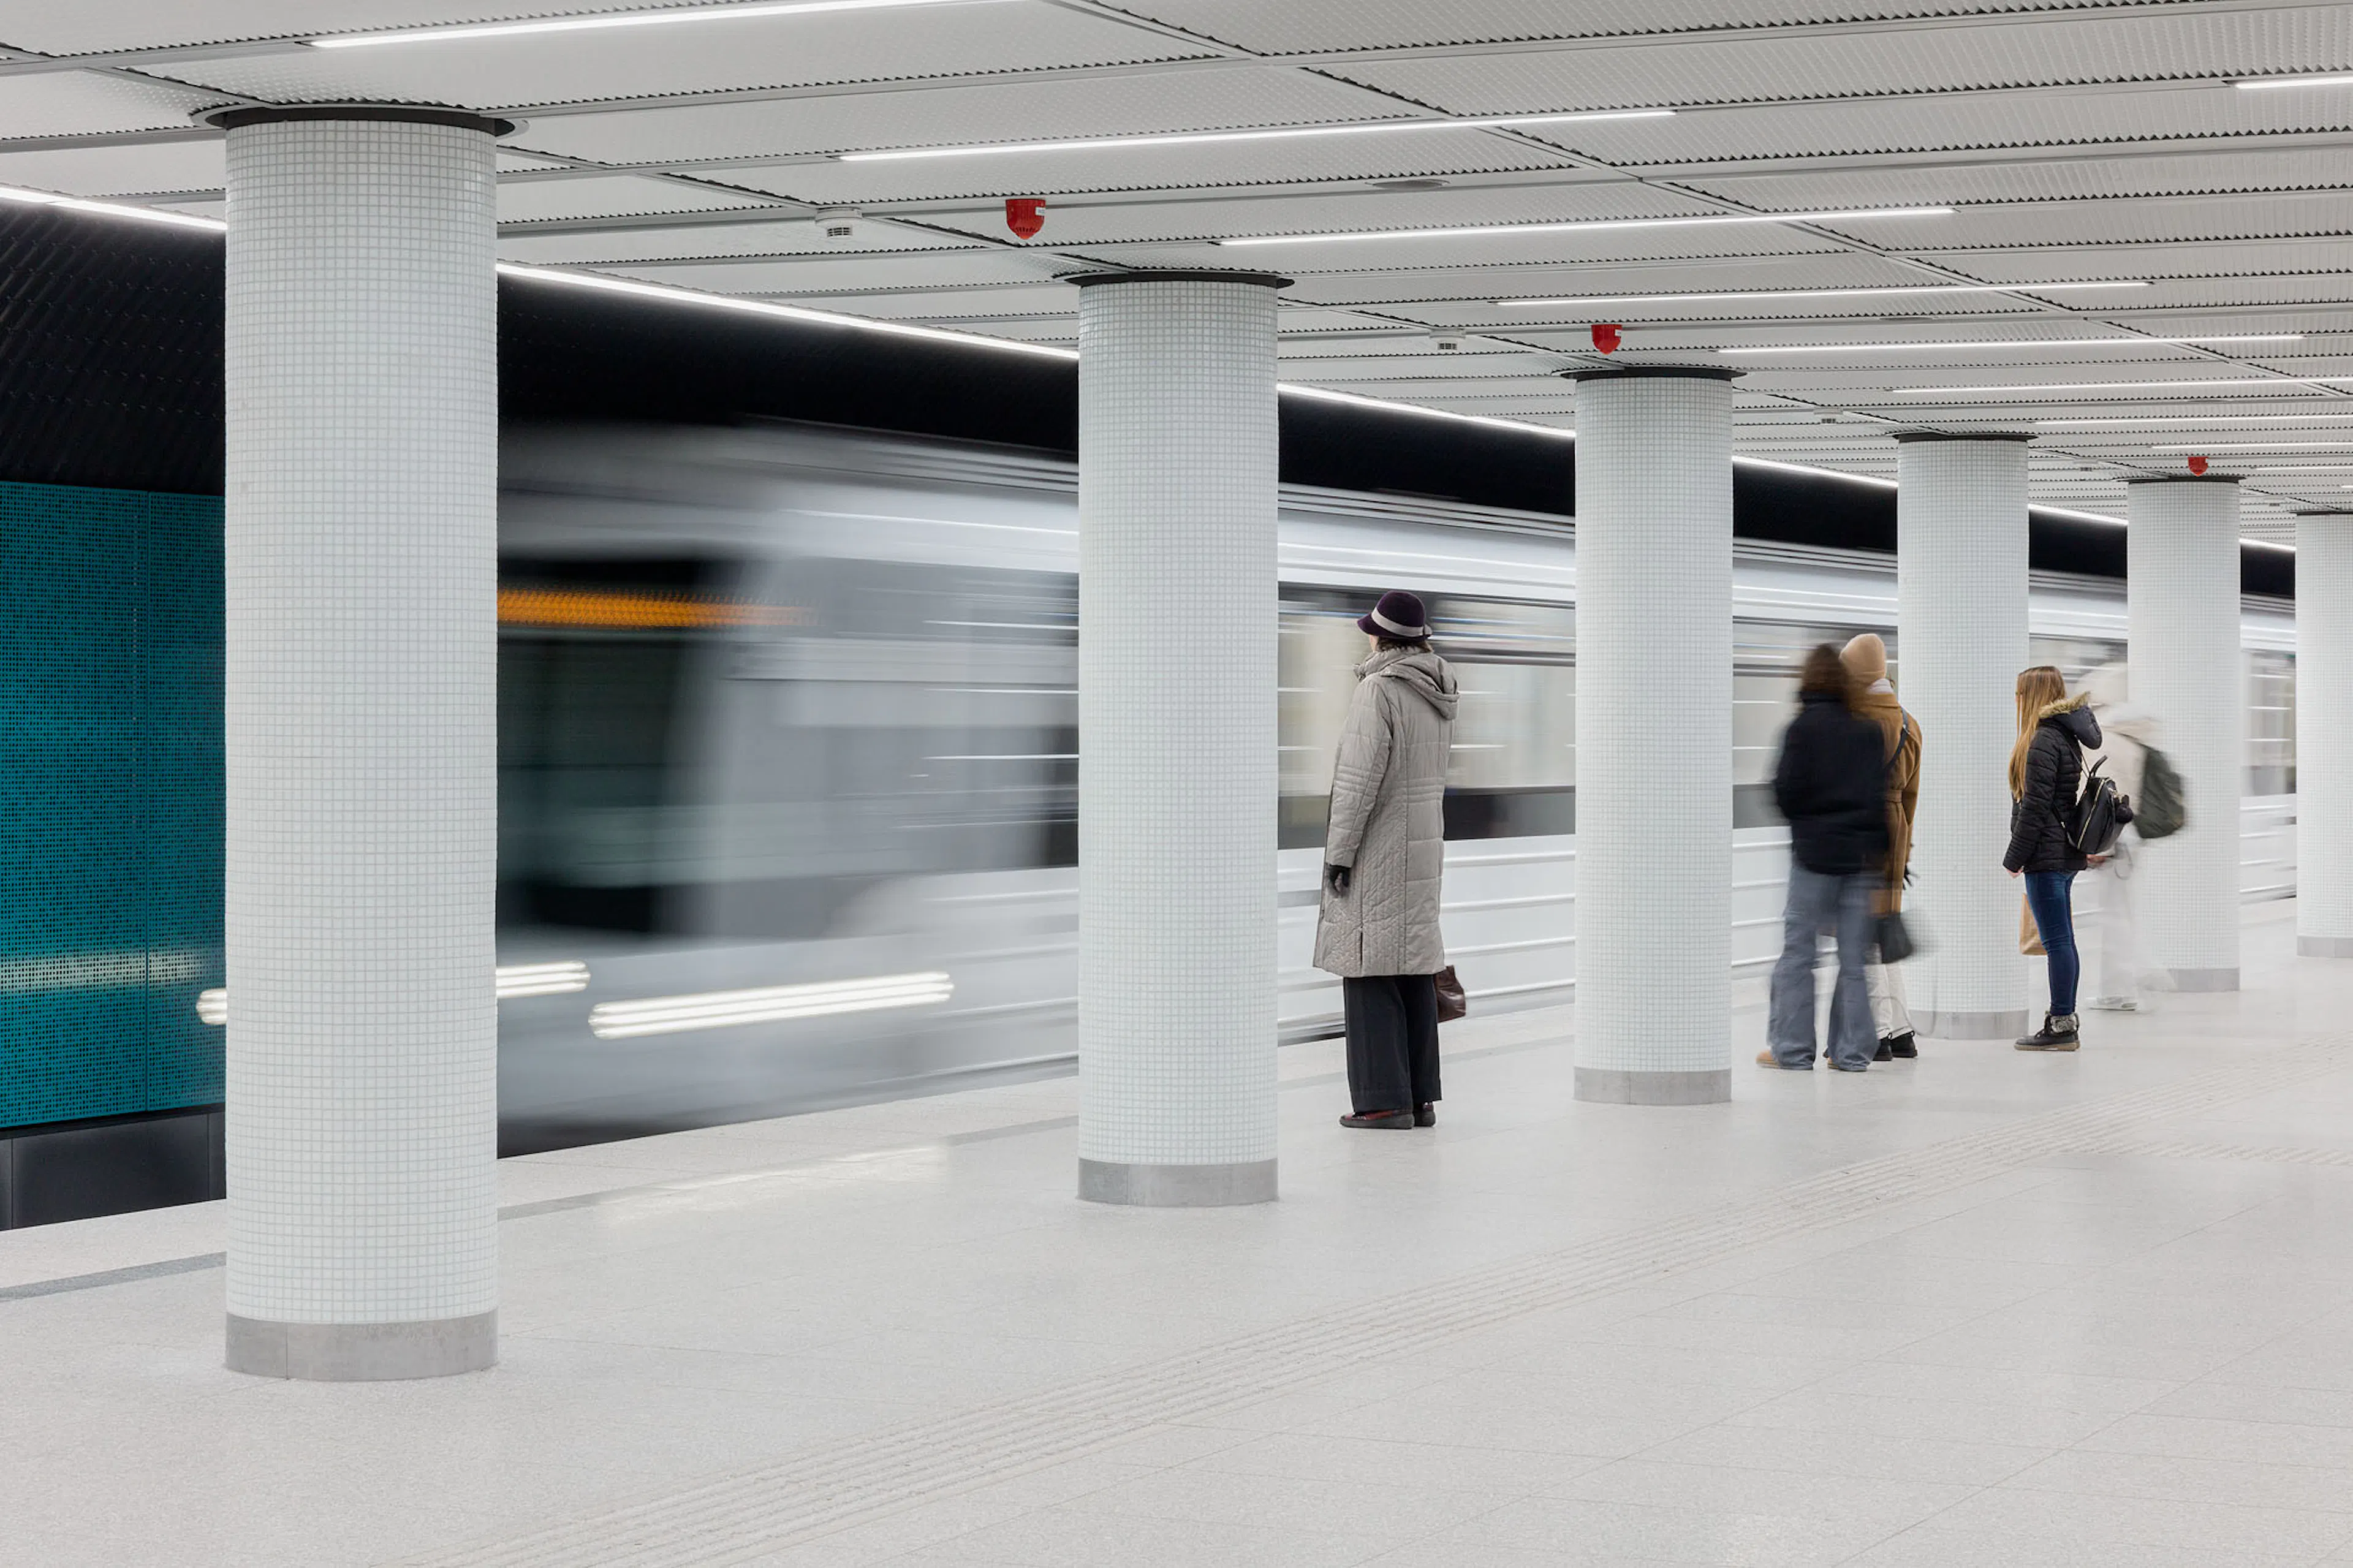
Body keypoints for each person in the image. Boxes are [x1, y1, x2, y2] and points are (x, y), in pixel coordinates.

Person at [1315, 589, 1459, 1129]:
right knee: (1412, 968)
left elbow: (1357, 782)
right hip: (1422, 848)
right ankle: (1419, 1098)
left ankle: (1381, 1101)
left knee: (1368, 967)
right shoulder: (1438, 687)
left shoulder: (1379, 690)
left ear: (1382, 637)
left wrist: (1340, 854)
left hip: (1380, 849)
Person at [1759, 645, 1890, 1073]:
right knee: (1854, 960)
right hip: (1859, 861)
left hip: (1812, 857)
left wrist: (1808, 824)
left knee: (1799, 955)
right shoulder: (1867, 731)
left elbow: (1783, 791)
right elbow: (1878, 798)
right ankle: (1851, 1054)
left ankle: (1792, 1051)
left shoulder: (1801, 729)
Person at [2005, 664, 2102, 1051]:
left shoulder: (2043, 740)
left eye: (2018, 693)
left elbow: (2034, 808)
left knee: (2058, 941)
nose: (2015, 700)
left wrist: (2015, 858)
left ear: (2030, 696)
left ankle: (2062, 1024)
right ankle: (2063, 1019)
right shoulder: (2063, 736)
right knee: (2063, 940)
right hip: (2061, 853)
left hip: (2046, 856)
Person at [1838, 632, 1922, 1061]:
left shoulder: (1855, 719)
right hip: (1897, 829)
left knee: (1863, 939)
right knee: (1885, 932)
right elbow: (1912, 795)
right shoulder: (1909, 721)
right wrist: (1904, 852)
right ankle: (1903, 1029)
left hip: (1864, 832)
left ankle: (1880, 1035)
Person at [2080, 663, 2162, 1012]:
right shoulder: (2135, 735)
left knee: (2114, 916)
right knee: (2121, 913)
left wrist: (2102, 846)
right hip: (2130, 836)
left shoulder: (2106, 739)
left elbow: (2105, 797)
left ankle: (2121, 991)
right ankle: (2129, 983)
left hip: (2112, 837)